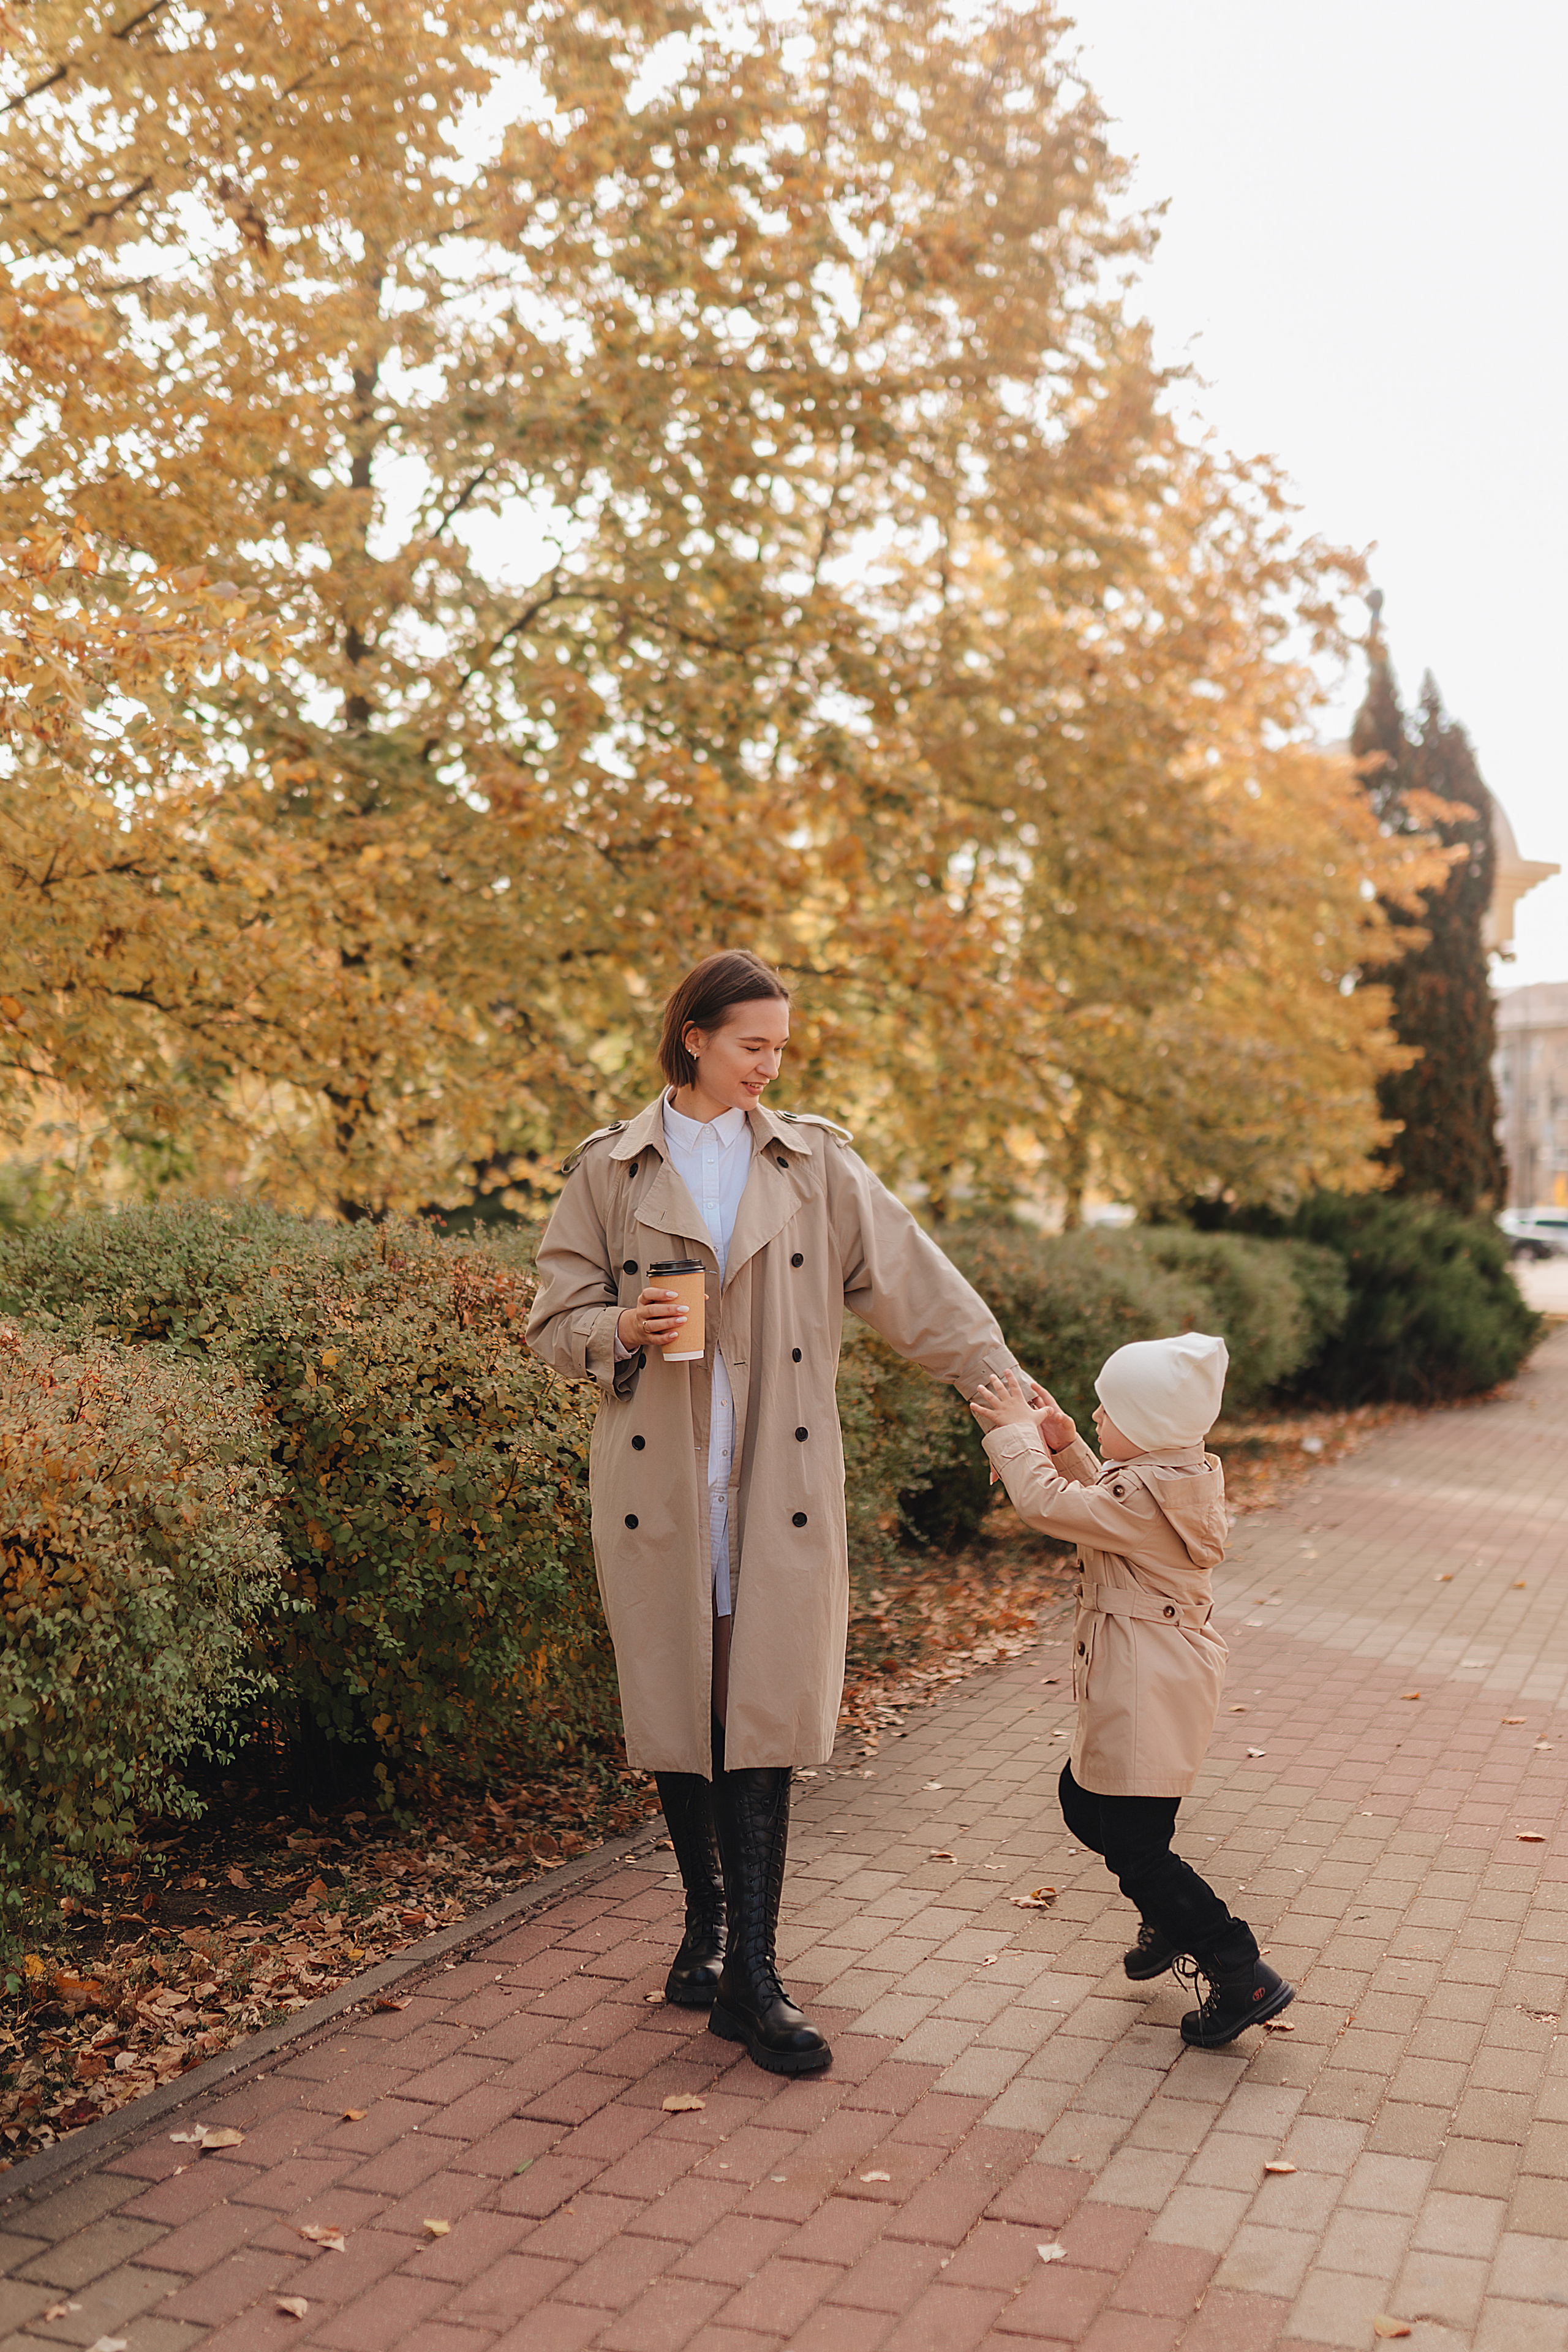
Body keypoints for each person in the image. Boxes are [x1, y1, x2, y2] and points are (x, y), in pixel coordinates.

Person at [526, 949, 1027, 2075]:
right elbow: (552, 1316)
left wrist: (1007, 1393)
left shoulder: (816, 1165)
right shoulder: (610, 1168)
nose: (770, 1066)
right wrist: (617, 1329)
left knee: (757, 1710)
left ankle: (753, 1971)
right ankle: (705, 1924)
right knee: (680, 1704)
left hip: (779, 1481)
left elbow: (920, 1287)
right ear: (694, 1038)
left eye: (781, 1049)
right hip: (661, 1478)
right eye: (752, 1045)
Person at [970, 1334, 1295, 2048]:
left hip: (1151, 1686)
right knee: (1085, 1802)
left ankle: (1238, 1969)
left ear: (1143, 1432)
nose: (1091, 1414)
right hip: (1150, 1679)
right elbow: (1104, 1504)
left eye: (1105, 1410)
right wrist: (1061, 1446)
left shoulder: (1143, 1497)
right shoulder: (1162, 1482)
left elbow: (1054, 1508)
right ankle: (1170, 1917)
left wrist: (1018, 1440)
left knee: (1137, 1845)